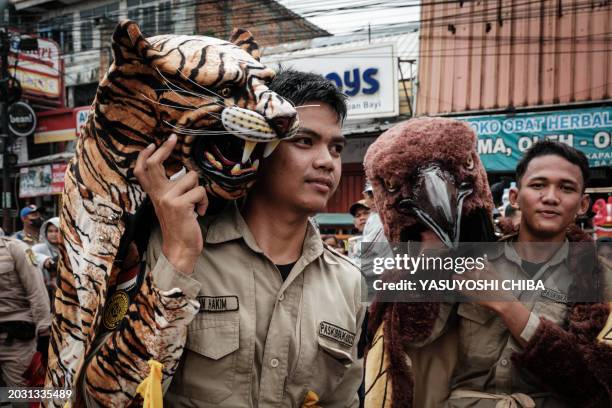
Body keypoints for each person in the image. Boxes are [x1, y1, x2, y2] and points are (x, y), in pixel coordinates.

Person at [127, 69, 365, 406]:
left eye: (336, 148)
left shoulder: (349, 284)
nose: (327, 162)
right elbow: (121, 391)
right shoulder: (174, 250)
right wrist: (178, 259)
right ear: (257, 145)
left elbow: (343, 400)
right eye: (304, 141)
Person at [0, 236, 51, 401]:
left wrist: (44, 331)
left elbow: (37, 291)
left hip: (15, 339)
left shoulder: (17, 248)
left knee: (23, 398)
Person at [32, 217, 60, 302]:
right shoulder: (38, 248)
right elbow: (27, 255)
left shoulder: (70, 250)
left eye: (57, 231)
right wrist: (46, 261)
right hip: (42, 294)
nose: (53, 234)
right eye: (50, 231)